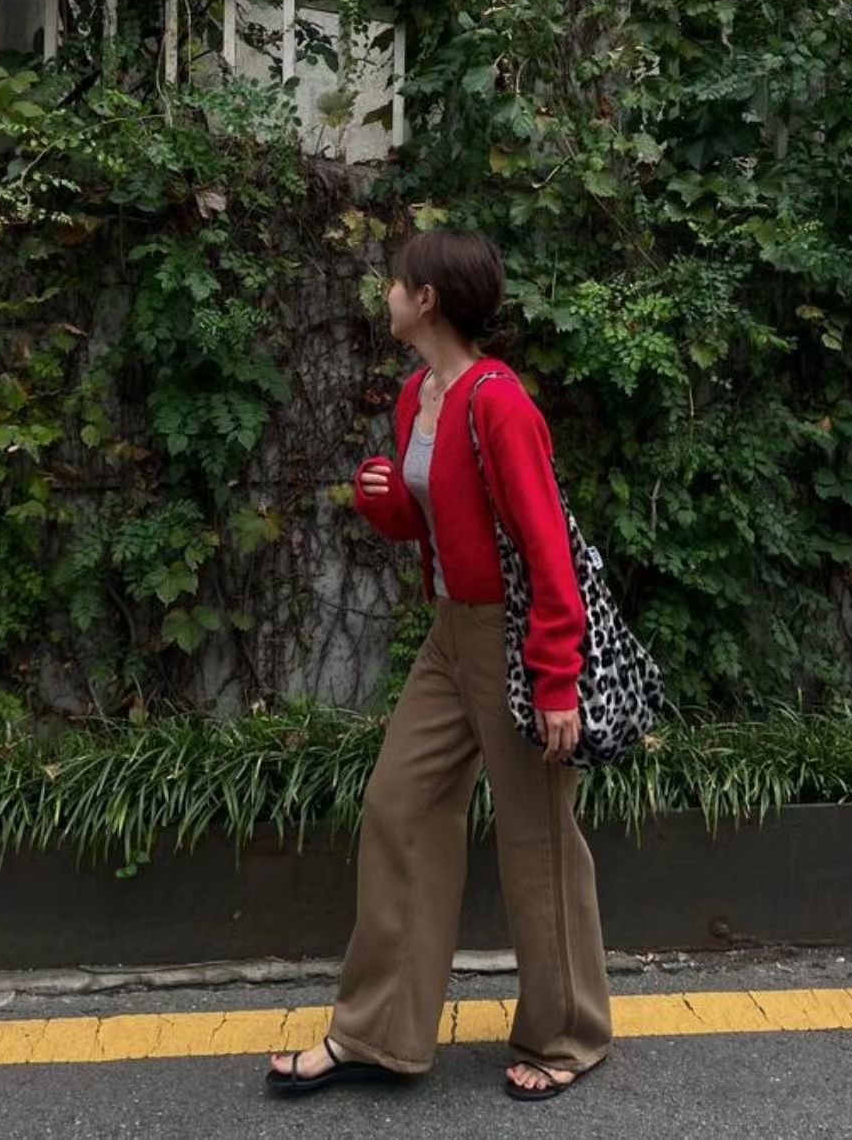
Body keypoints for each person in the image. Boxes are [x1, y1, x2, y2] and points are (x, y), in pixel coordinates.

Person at [266, 227, 613, 1101]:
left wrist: (556, 677)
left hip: (513, 639)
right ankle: (377, 1032)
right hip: (449, 635)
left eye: (396, 281)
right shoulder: (416, 394)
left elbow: (547, 549)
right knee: (401, 806)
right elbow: (434, 526)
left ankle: (569, 1034)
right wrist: (387, 507)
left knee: (537, 838)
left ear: (427, 301)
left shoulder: (500, 403)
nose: (385, 292)